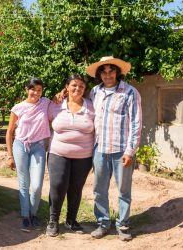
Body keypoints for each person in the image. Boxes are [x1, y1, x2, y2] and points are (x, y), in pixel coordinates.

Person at [86, 56, 142, 241]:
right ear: (100, 74)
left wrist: (130, 151)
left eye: (111, 71)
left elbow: (136, 123)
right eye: (104, 71)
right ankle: (103, 223)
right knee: (99, 189)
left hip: (121, 151)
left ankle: (123, 225)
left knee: (123, 190)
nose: (108, 75)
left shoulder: (130, 92)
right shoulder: (95, 92)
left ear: (117, 72)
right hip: (100, 149)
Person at [45, 74, 95, 237]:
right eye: (74, 85)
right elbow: (44, 121)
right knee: (57, 187)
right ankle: (53, 221)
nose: (77, 89)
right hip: (58, 153)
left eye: (81, 86)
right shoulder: (55, 105)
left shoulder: (91, 106)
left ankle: (71, 220)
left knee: (76, 189)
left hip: (84, 156)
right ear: (67, 87)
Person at [6, 78, 53, 232]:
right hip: (20, 146)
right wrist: (9, 156)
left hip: (38, 147)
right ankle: (26, 217)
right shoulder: (18, 108)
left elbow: (59, 98)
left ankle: (33, 214)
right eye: (33, 89)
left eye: (39, 90)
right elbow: (10, 132)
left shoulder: (45, 103)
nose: (36, 93)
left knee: (37, 185)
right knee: (24, 183)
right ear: (27, 89)